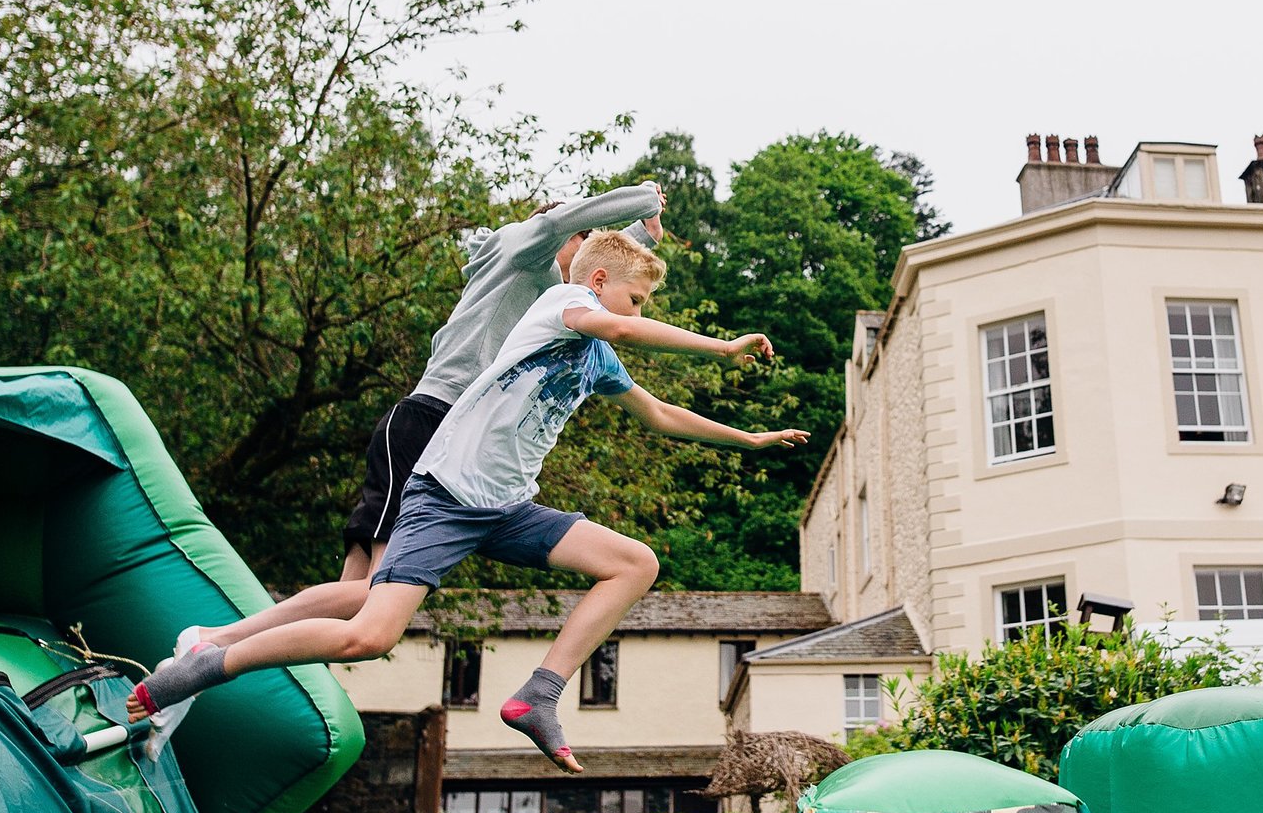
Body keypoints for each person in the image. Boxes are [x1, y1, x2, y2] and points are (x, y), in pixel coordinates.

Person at [129, 229, 806, 772]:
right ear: (597, 285)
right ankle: (203, 667)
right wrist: (720, 347)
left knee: (634, 563)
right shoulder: (560, 308)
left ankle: (538, 696)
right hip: (447, 494)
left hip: (508, 507)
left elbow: (657, 413)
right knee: (368, 632)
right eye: (636, 299)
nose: (638, 312)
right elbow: (621, 328)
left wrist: (748, 439)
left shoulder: (599, 356)